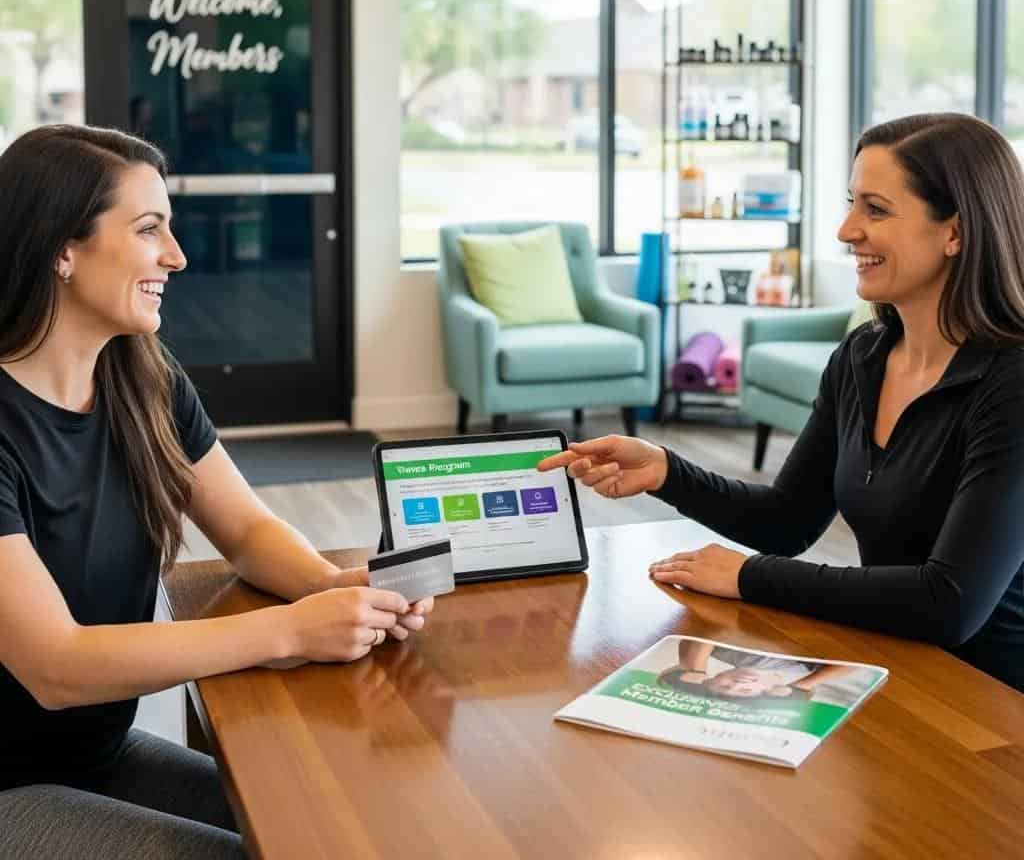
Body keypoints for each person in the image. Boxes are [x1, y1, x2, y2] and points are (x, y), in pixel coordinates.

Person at [0, 124, 434, 857]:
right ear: (61, 249)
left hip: (93, 758)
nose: (178, 256)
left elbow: (244, 529)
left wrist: (331, 585)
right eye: (149, 231)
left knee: (329, 826)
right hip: (9, 788)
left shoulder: (143, 376)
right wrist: (290, 631)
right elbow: (55, 666)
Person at [540, 113, 1024, 694]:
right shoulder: (863, 357)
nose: (846, 230)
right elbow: (787, 520)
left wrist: (749, 576)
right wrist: (666, 471)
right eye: (851, 204)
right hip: (895, 664)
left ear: (956, 232)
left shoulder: (1012, 383)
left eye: (876, 209)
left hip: (993, 704)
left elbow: (950, 604)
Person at [656, 641, 848, 700]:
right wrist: (801, 686)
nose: (738, 684)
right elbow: (849, 662)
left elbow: (699, 637)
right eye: (745, 691)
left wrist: (695, 671)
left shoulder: (723, 652)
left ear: (715, 677)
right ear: (770, 689)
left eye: (724, 686)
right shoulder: (803, 667)